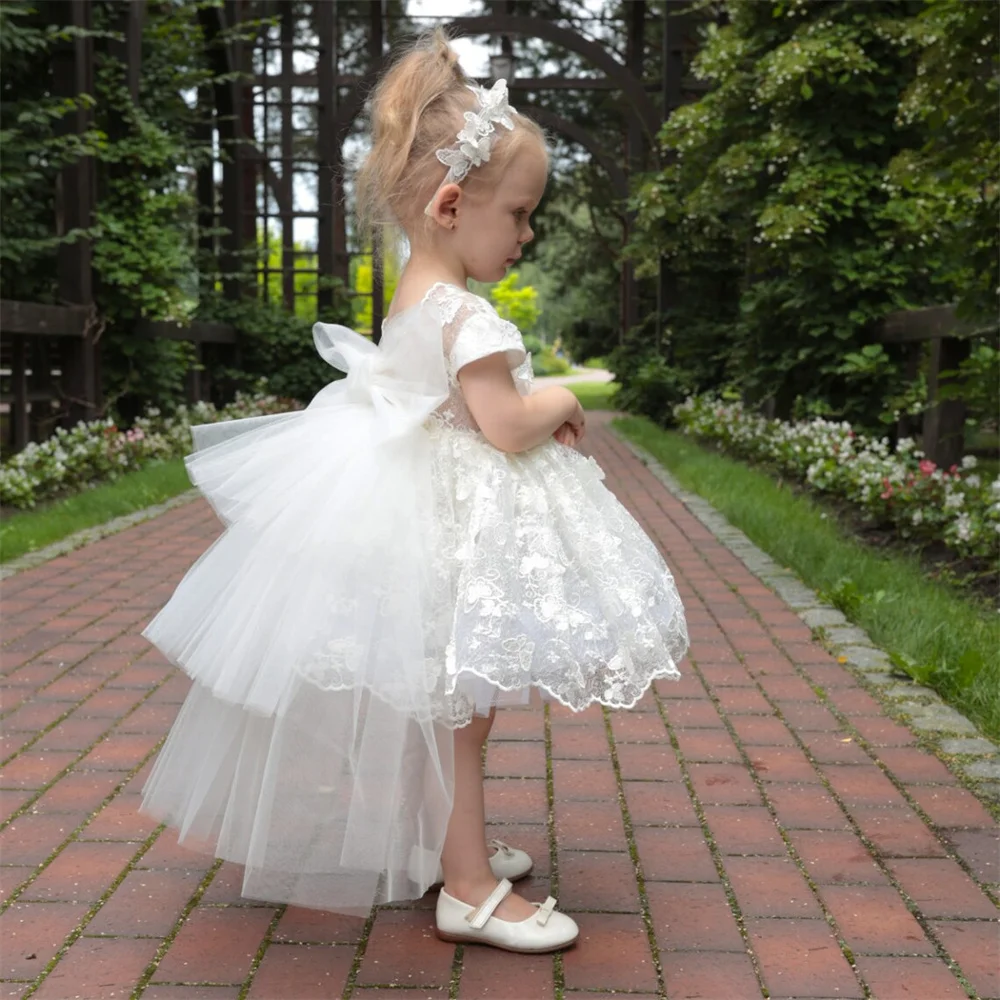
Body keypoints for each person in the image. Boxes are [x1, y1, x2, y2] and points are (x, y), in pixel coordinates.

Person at [139, 29, 688, 955]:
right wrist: (553, 397)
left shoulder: (409, 298)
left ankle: (455, 846)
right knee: (459, 720)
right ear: (448, 204)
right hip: (452, 529)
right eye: (517, 215)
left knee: (451, 713)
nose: (524, 235)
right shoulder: (461, 312)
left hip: (414, 518)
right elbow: (503, 425)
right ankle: (467, 887)